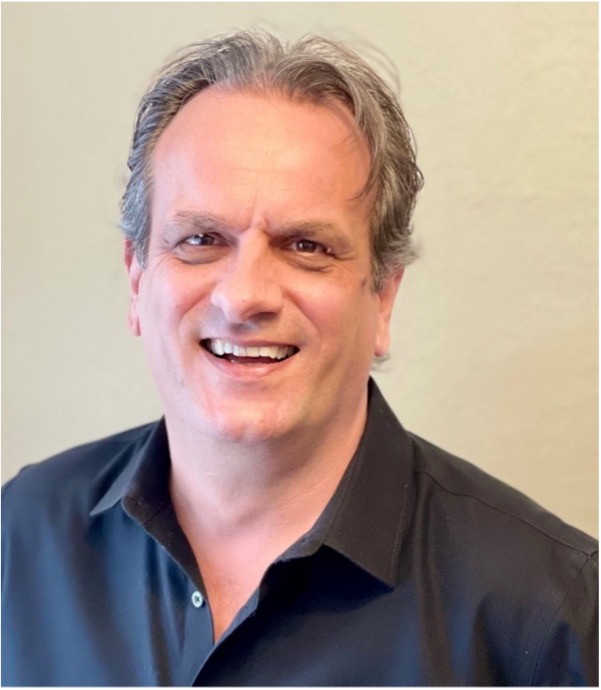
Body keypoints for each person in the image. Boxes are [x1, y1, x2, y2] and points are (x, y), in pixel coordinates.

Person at [1, 29, 597, 686]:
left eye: (306, 246)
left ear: (383, 297)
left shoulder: (546, 615)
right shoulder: (21, 535)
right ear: (137, 280)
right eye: (200, 239)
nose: (244, 296)